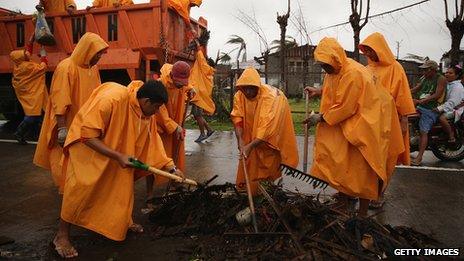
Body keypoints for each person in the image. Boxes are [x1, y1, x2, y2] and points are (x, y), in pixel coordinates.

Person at [52, 80, 182, 258]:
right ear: (146, 102)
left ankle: (123, 221)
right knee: (80, 190)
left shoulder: (146, 114)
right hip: (87, 149)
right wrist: (118, 156)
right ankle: (61, 236)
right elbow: (87, 135)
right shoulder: (112, 98)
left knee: (121, 187)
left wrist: (171, 168)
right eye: (157, 107)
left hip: (116, 153)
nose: (158, 112)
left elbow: (154, 143)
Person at [303, 37, 403, 217]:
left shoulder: (353, 73)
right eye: (322, 64)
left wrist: (320, 117)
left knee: (365, 167)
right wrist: (318, 91)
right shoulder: (335, 70)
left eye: (326, 64)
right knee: (344, 161)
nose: (324, 68)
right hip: (354, 122)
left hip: (370, 122)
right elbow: (337, 90)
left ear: (335, 58)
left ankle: (362, 214)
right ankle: (345, 198)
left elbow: (346, 107)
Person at [34, 32, 108, 193]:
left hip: (85, 123)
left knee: (81, 158)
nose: (99, 57)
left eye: (101, 54)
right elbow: (60, 99)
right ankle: (66, 191)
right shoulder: (66, 67)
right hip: (67, 121)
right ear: (87, 50)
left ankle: (77, 188)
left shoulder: (93, 68)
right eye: (98, 53)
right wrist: (62, 128)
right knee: (65, 157)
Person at [359, 32, 416, 208]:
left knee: (386, 158)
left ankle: (379, 193)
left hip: (390, 121)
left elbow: (402, 93)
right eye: (366, 51)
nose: (368, 54)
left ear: (380, 49)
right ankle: (362, 190)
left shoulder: (395, 68)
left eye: (371, 50)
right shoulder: (366, 69)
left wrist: (404, 119)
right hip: (369, 121)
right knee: (367, 157)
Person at [230, 67, 299, 195]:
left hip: (273, 128)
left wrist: (250, 145)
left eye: (252, 88)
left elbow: (266, 128)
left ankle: (267, 188)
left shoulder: (271, 98)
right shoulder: (240, 95)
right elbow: (237, 117)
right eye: (245, 88)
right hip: (253, 128)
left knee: (268, 158)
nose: (248, 92)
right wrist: (241, 140)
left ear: (258, 86)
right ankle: (250, 189)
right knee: (249, 156)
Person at [145, 61, 195, 202]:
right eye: (179, 83)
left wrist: (190, 89)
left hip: (176, 126)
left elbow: (186, 86)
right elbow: (161, 113)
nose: (181, 85)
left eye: (183, 83)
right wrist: (175, 127)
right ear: (172, 75)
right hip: (161, 129)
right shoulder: (160, 85)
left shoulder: (180, 84)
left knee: (176, 156)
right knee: (155, 159)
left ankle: (175, 183)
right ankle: (149, 195)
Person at [10, 35, 49, 144]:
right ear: (21, 58)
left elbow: (27, 53)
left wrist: (31, 40)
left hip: (28, 92)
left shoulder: (18, 64)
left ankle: (33, 133)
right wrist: (43, 56)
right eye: (24, 55)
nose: (27, 54)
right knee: (32, 115)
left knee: (35, 114)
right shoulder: (27, 67)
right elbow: (43, 67)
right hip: (32, 93)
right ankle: (19, 133)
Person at [410, 60, 446, 165]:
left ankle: (419, 157)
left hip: (432, 108)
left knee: (423, 132)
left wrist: (421, 101)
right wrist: (402, 91)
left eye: (426, 69)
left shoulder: (441, 79)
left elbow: (437, 95)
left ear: (433, 70)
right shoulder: (425, 78)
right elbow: (416, 89)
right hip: (421, 106)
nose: (424, 71)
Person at [189, 50, 215, 142]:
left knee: (198, 115)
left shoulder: (206, 71)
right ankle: (209, 130)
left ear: (208, 65)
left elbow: (201, 61)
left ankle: (203, 134)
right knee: (197, 115)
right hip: (200, 97)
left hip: (199, 97)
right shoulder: (209, 74)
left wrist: (199, 49)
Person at [435, 66, 464, 142]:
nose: (447, 74)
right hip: (448, 106)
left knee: (441, 118)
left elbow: (452, 102)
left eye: (450, 73)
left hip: (455, 108)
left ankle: (451, 135)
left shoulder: (457, 87)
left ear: (457, 76)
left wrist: (439, 109)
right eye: (446, 72)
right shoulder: (448, 84)